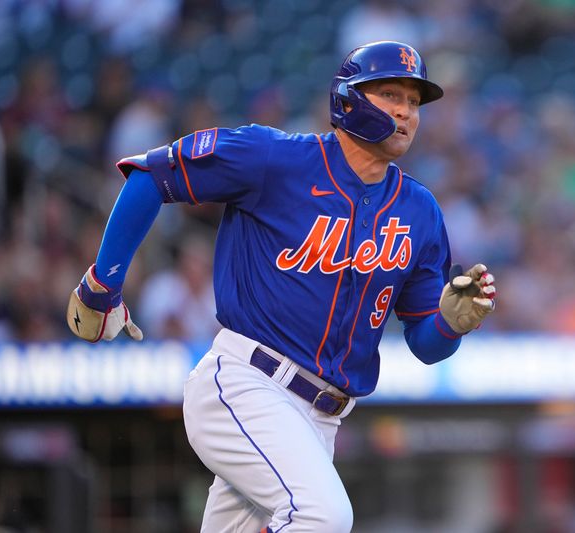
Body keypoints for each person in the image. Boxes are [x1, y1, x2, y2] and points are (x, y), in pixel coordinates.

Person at [66, 41, 496, 533]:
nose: (405, 111)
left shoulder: (419, 211)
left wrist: (451, 324)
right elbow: (151, 176)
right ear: (349, 99)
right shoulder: (274, 157)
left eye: (414, 102)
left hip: (320, 422)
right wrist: (103, 285)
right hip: (247, 384)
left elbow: (425, 344)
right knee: (322, 515)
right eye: (390, 94)